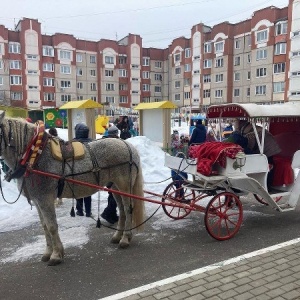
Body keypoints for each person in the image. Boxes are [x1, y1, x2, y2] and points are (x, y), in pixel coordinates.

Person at [100, 125, 120, 224]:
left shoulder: (105, 142)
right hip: (111, 174)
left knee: (112, 194)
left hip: (108, 173)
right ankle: (107, 213)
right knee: (113, 195)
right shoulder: (111, 145)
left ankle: (112, 214)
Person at [73, 123, 93, 217]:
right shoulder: (92, 143)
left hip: (77, 171)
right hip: (89, 171)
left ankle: (80, 210)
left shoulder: (73, 144)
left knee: (79, 192)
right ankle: (88, 212)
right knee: (88, 192)